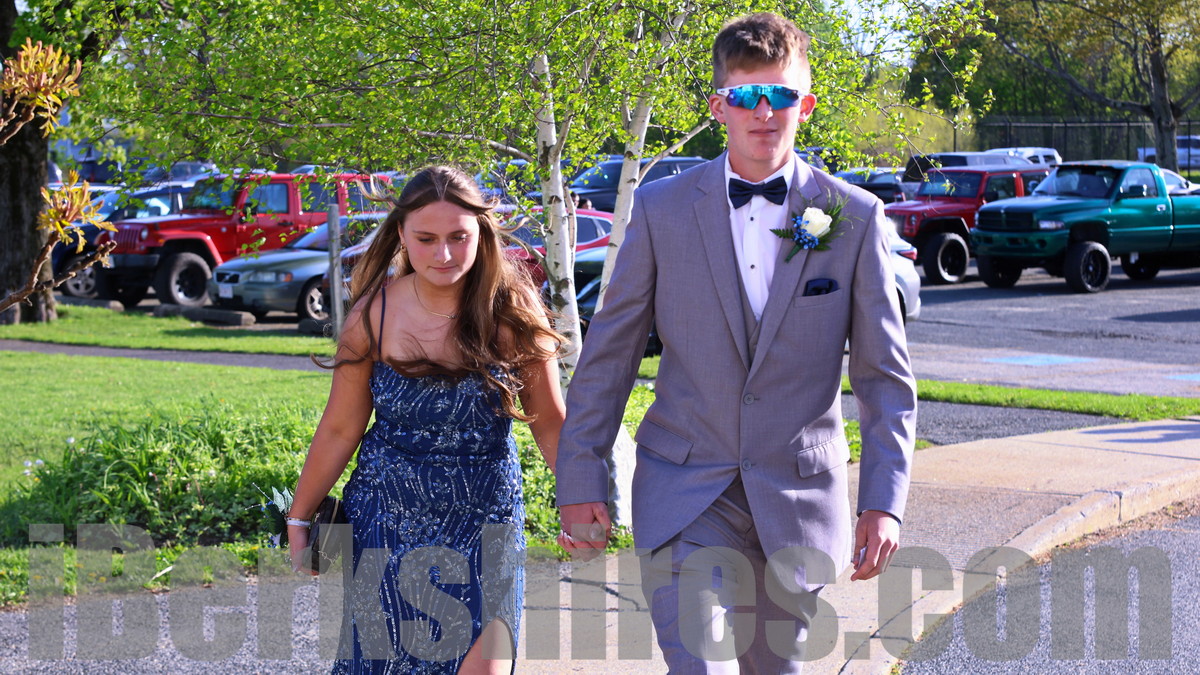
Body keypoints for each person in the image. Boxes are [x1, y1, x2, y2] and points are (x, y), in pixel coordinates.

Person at [555, 12, 916, 672]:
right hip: (685, 495)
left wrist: (883, 503)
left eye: (780, 95)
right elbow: (609, 355)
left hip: (798, 504)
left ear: (806, 105)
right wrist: (582, 476)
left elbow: (885, 381)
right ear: (719, 105)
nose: (764, 112)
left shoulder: (855, 217)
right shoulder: (661, 210)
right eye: (747, 95)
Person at [287, 165, 565, 674]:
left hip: (487, 518)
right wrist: (300, 516)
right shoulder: (373, 316)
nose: (444, 254)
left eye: (459, 237)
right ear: (401, 235)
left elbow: (549, 422)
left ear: (482, 232)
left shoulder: (512, 312)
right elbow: (340, 428)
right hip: (388, 520)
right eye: (427, 239)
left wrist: (579, 500)